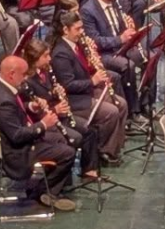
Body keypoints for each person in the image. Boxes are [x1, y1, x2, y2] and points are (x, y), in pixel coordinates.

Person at [0, 54, 79, 211]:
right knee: (68, 153)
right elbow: (17, 136)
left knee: (64, 138)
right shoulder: (3, 100)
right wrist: (43, 124)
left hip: (18, 140)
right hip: (17, 152)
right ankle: (43, 192)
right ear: (11, 74)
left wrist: (30, 106)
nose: (25, 79)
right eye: (23, 74)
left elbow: (15, 113)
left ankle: (52, 186)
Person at [49, 10, 129, 163]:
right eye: (78, 29)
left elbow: (86, 68)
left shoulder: (78, 44)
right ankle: (103, 151)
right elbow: (68, 85)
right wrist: (93, 81)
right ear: (65, 30)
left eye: (82, 27)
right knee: (110, 112)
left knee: (122, 104)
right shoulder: (60, 54)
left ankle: (114, 146)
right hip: (74, 99)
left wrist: (94, 57)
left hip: (86, 91)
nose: (82, 32)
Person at [19, 38, 100, 181]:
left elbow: (49, 95)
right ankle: (63, 179)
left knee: (89, 130)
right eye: (45, 56)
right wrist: (55, 109)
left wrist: (57, 93)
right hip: (46, 123)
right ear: (35, 58)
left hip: (59, 116)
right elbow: (30, 112)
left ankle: (89, 171)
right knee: (75, 138)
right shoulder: (26, 81)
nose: (49, 59)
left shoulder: (46, 71)